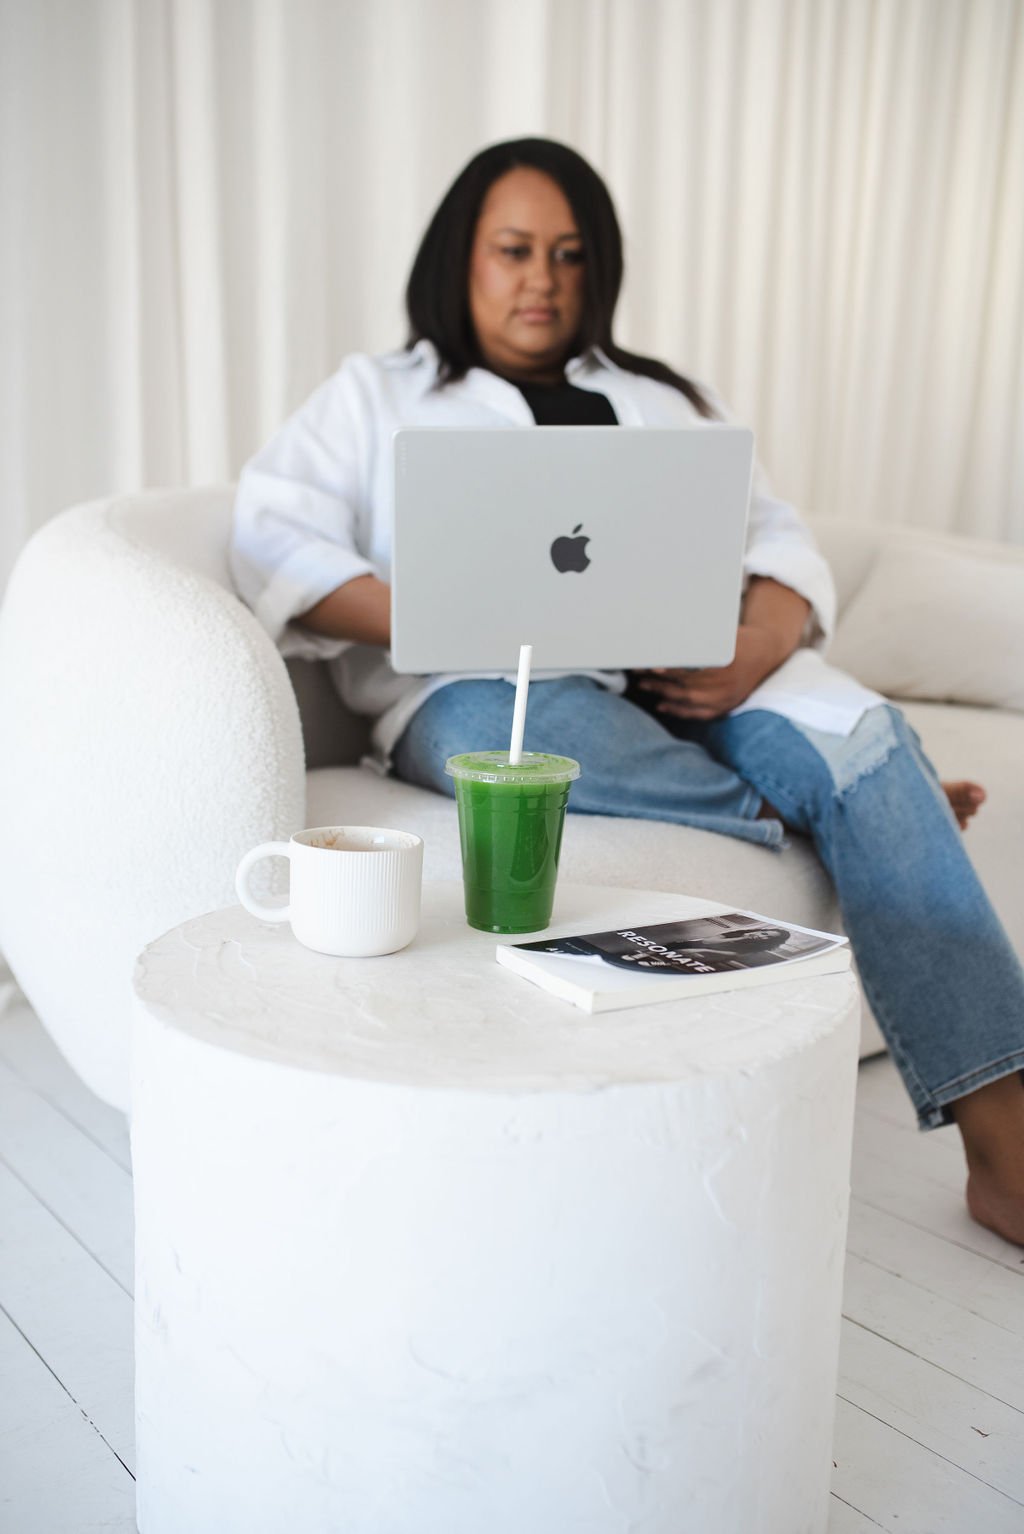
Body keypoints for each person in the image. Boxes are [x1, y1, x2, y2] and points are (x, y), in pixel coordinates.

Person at [230, 137, 1024, 1245]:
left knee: (865, 735)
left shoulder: (660, 398)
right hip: (498, 688)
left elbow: (779, 542)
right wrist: (442, 614)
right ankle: (866, 815)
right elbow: (273, 541)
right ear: (461, 257)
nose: (542, 279)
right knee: (502, 732)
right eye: (514, 250)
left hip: (693, 683)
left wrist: (755, 644)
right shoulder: (375, 395)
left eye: (568, 254)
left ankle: (1005, 1146)